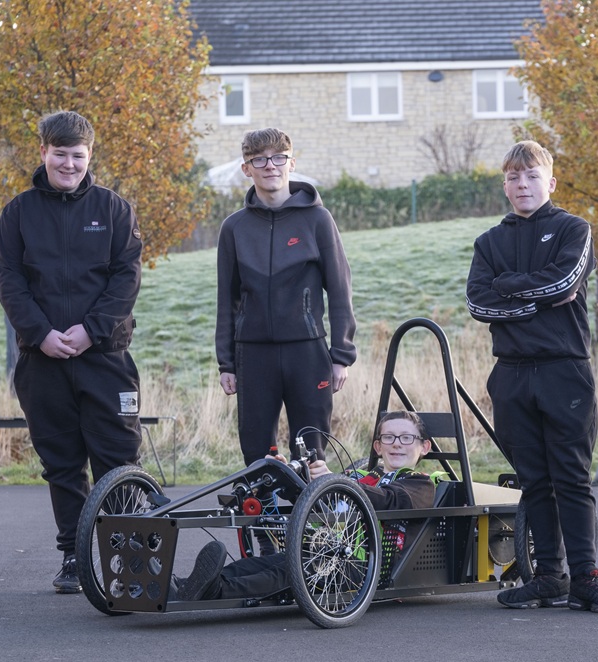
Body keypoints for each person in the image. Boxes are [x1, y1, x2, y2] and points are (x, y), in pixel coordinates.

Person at [465, 140, 598, 613]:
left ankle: (586, 581)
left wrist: (509, 287)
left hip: (564, 372)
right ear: (505, 185)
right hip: (511, 375)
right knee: (534, 482)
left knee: (571, 481)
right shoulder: (489, 242)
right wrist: (530, 297)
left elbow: (564, 285)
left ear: (550, 182)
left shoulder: (574, 229)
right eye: (514, 177)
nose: (522, 184)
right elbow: (477, 303)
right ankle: (549, 578)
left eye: (532, 176)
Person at [0, 111, 143, 594]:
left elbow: (126, 279)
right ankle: (74, 558)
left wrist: (89, 331)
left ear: (89, 155)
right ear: (44, 152)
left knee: (118, 459)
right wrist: (41, 334)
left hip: (105, 359)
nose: (69, 164)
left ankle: (127, 560)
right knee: (61, 463)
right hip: (43, 361)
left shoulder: (115, 210)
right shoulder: (18, 213)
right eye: (60, 155)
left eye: (78, 156)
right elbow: (10, 282)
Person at [173, 411, 436, 602]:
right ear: (378, 446)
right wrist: (290, 477)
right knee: (267, 562)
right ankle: (185, 586)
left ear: (424, 447)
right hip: (333, 556)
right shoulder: (360, 476)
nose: (397, 443)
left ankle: (218, 590)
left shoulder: (420, 484)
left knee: (291, 571)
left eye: (406, 438)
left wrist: (334, 480)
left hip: (369, 568)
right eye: (389, 437)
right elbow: (316, 505)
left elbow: (388, 500)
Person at [215, 128, 357, 471]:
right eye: (259, 159)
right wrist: (226, 363)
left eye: (279, 158)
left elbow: (339, 289)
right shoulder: (234, 228)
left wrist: (342, 355)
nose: (270, 166)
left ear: (291, 163)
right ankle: (262, 525)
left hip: (307, 353)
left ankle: (311, 524)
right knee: (258, 460)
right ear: (247, 168)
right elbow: (227, 300)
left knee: (311, 455)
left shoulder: (318, 220)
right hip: (253, 355)